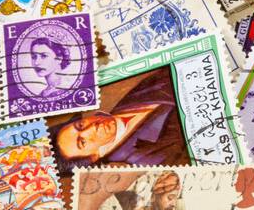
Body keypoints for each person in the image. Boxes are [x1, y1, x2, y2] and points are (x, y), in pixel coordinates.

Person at [53, 68, 187, 166]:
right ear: (93, 157)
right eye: (82, 142)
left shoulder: (124, 103)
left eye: (80, 126)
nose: (90, 128)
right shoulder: (143, 159)